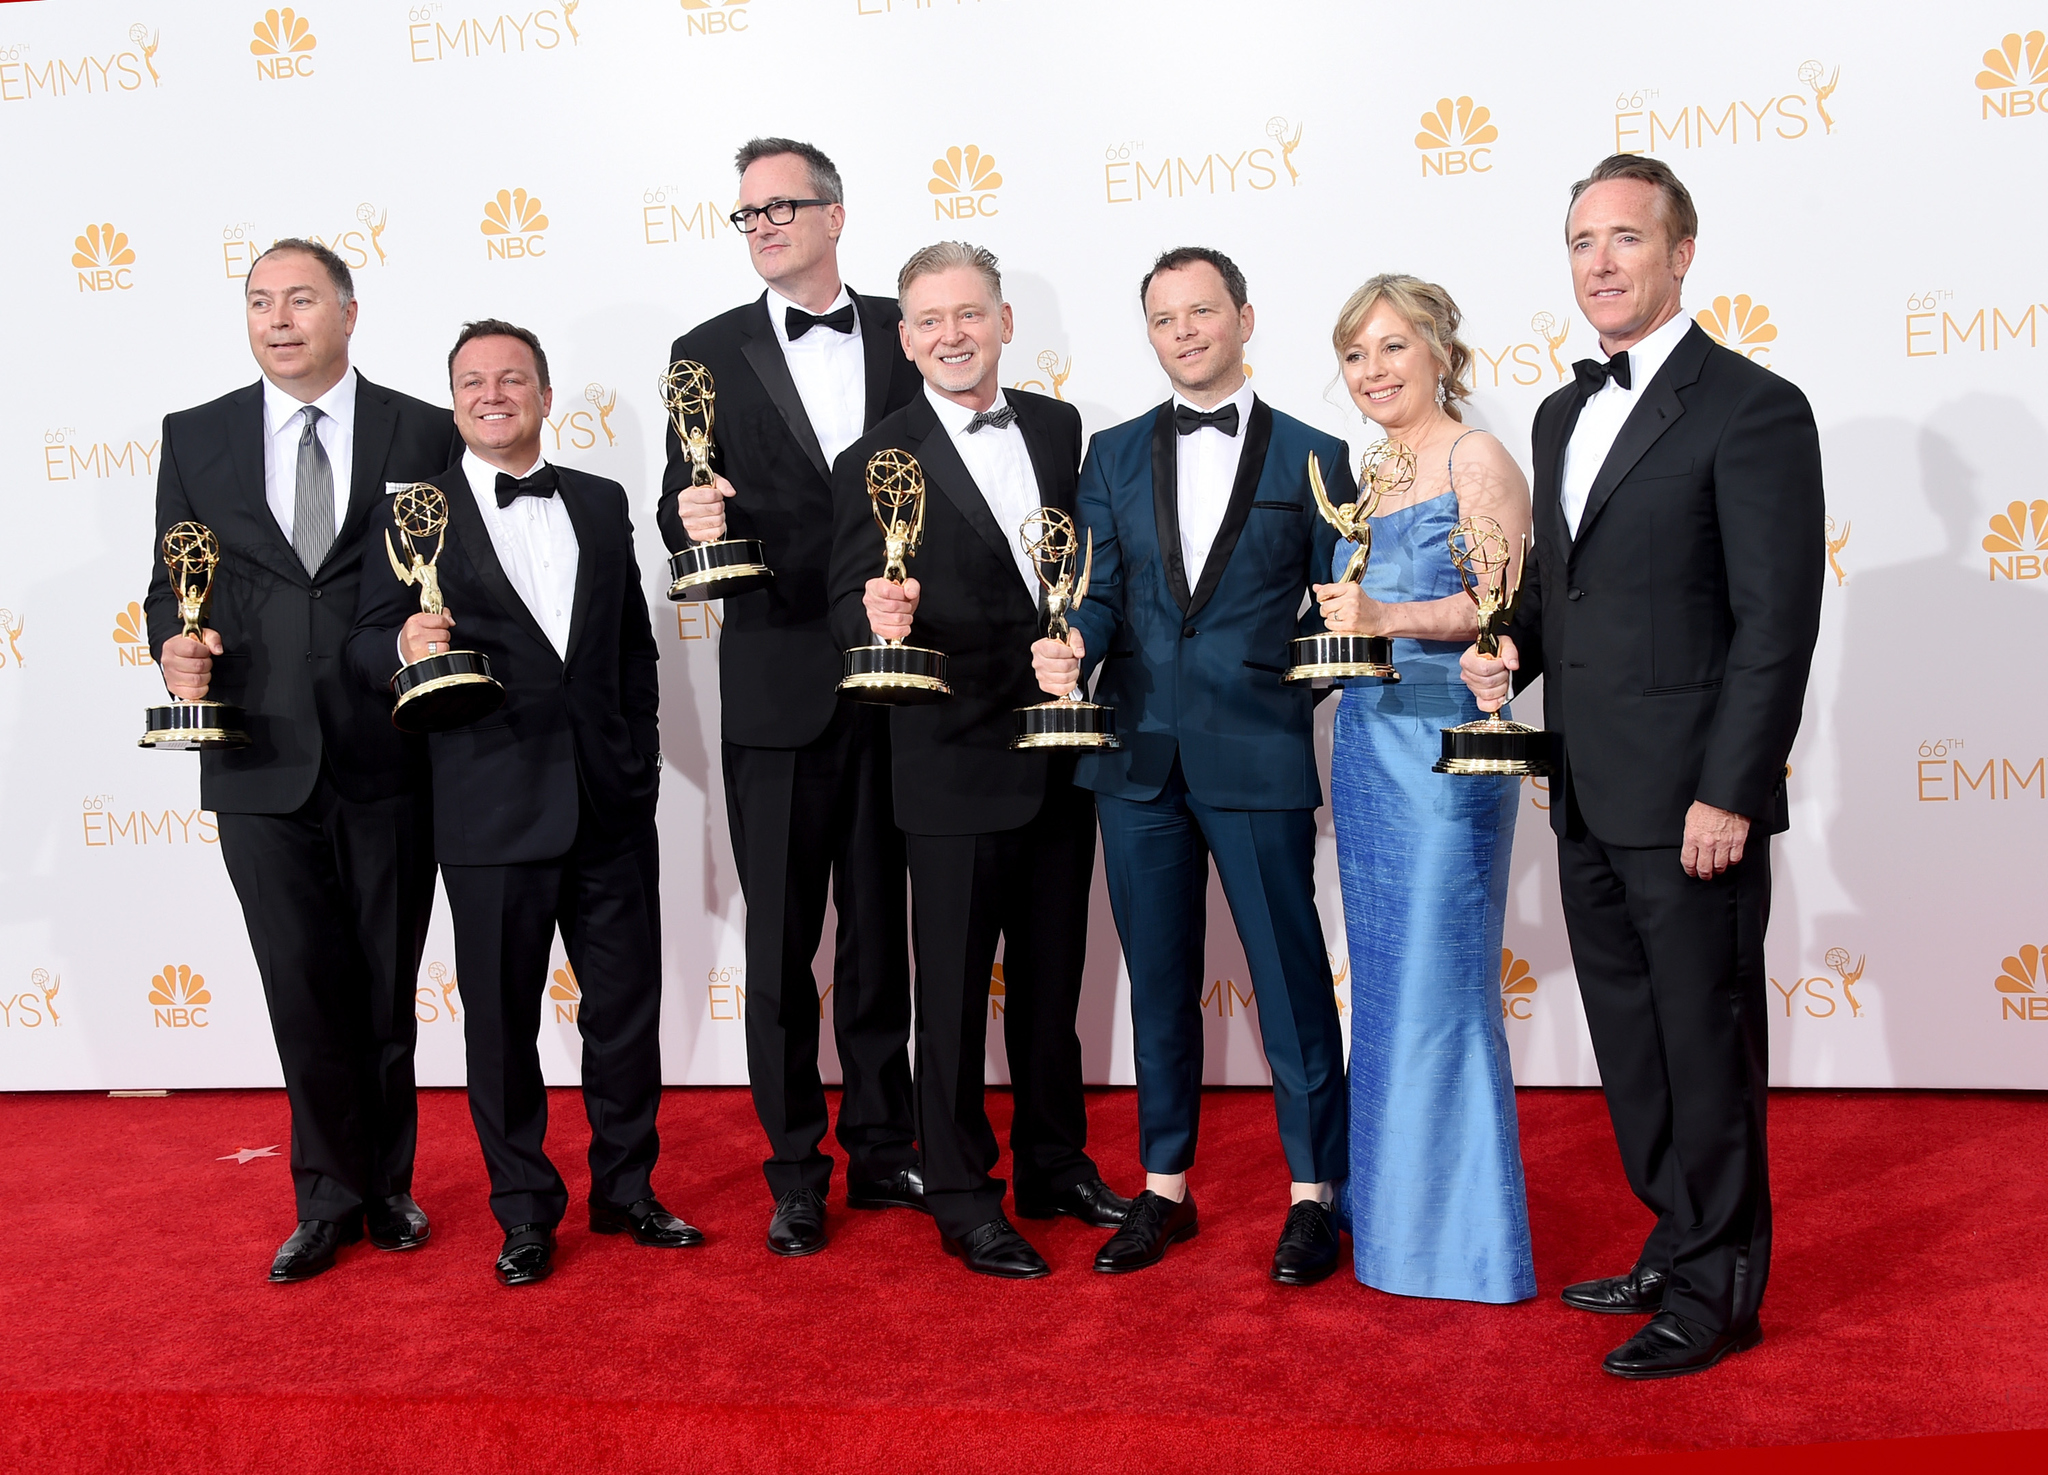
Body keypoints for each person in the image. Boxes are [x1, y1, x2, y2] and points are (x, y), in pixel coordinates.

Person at [1461, 155, 1823, 1376]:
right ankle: (1674, 1240)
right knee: (1631, 1035)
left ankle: (1722, 1287)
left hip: (1692, 801)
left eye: (1624, 237)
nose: (1598, 262)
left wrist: (1730, 786)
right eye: (1579, 240)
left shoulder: (1752, 406)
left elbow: (1775, 621)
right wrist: (1506, 656)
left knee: (1704, 1039)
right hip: (1583, 788)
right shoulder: (1562, 414)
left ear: (1680, 254)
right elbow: (1571, 600)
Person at [348, 320, 697, 1287]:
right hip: (489, 806)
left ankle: (628, 1190)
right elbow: (362, 640)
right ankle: (525, 1211)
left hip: (611, 802)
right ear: (453, 399)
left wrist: (641, 755)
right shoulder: (414, 511)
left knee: (626, 1014)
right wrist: (403, 648)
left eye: (512, 378)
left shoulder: (599, 497)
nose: (492, 393)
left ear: (546, 395)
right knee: (500, 1025)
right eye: (472, 381)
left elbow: (631, 644)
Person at [1033, 247, 1350, 1284]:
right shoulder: (1111, 453)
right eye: (1162, 317)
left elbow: (1341, 618)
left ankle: (1313, 1195)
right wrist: (1071, 643)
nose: (1182, 332)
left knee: (1289, 982)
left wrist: (1273, 695)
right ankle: (1161, 1185)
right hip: (1133, 758)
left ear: (1245, 319)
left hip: (1256, 756)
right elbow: (1095, 587)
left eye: (1201, 311)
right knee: (1156, 981)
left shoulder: (1317, 454)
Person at [146, 238, 456, 1283]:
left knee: (384, 979)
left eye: (301, 300)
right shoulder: (196, 436)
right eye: (260, 301)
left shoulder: (424, 426)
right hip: (257, 752)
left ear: (350, 312)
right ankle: (325, 1194)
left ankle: (391, 1186)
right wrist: (173, 646)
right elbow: (170, 582)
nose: (279, 319)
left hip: (392, 746)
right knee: (300, 983)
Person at [827, 243, 1131, 1279]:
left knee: (1054, 984)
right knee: (951, 995)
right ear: (904, 337)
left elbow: (1074, 571)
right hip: (946, 758)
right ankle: (960, 1189)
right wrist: (869, 613)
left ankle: (1054, 1161)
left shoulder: (1055, 426)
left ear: (1004, 320)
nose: (951, 334)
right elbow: (840, 602)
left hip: (1056, 746)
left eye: (969, 313)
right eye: (928, 319)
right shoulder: (871, 458)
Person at [657, 138, 925, 1258]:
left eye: (780, 206)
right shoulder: (701, 351)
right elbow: (683, 499)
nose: (761, 224)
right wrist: (690, 518)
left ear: (835, 214)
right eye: (745, 213)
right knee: (779, 951)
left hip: (895, 676)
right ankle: (791, 1168)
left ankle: (882, 1144)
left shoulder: (910, 332)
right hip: (772, 689)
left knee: (878, 934)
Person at [1313, 274, 1536, 1304]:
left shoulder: (1472, 455)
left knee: (1440, 982)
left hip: (1449, 739)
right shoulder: (1375, 468)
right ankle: (1394, 1216)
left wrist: (1380, 618)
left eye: (1393, 347)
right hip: (1366, 739)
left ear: (1439, 349)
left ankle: (1457, 1239)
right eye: (1356, 354)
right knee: (1389, 980)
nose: (1373, 371)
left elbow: (1499, 599)